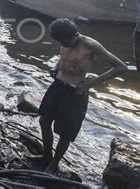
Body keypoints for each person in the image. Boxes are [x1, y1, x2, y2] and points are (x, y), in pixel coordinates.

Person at [36, 18, 128, 174]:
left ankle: (54, 164)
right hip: (58, 86)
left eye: (65, 42)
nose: (63, 45)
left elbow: (121, 67)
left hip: (75, 92)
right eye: (61, 43)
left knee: (65, 133)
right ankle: (46, 156)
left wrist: (90, 83)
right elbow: (63, 56)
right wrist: (56, 67)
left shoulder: (90, 45)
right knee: (44, 121)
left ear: (75, 36)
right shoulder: (64, 37)